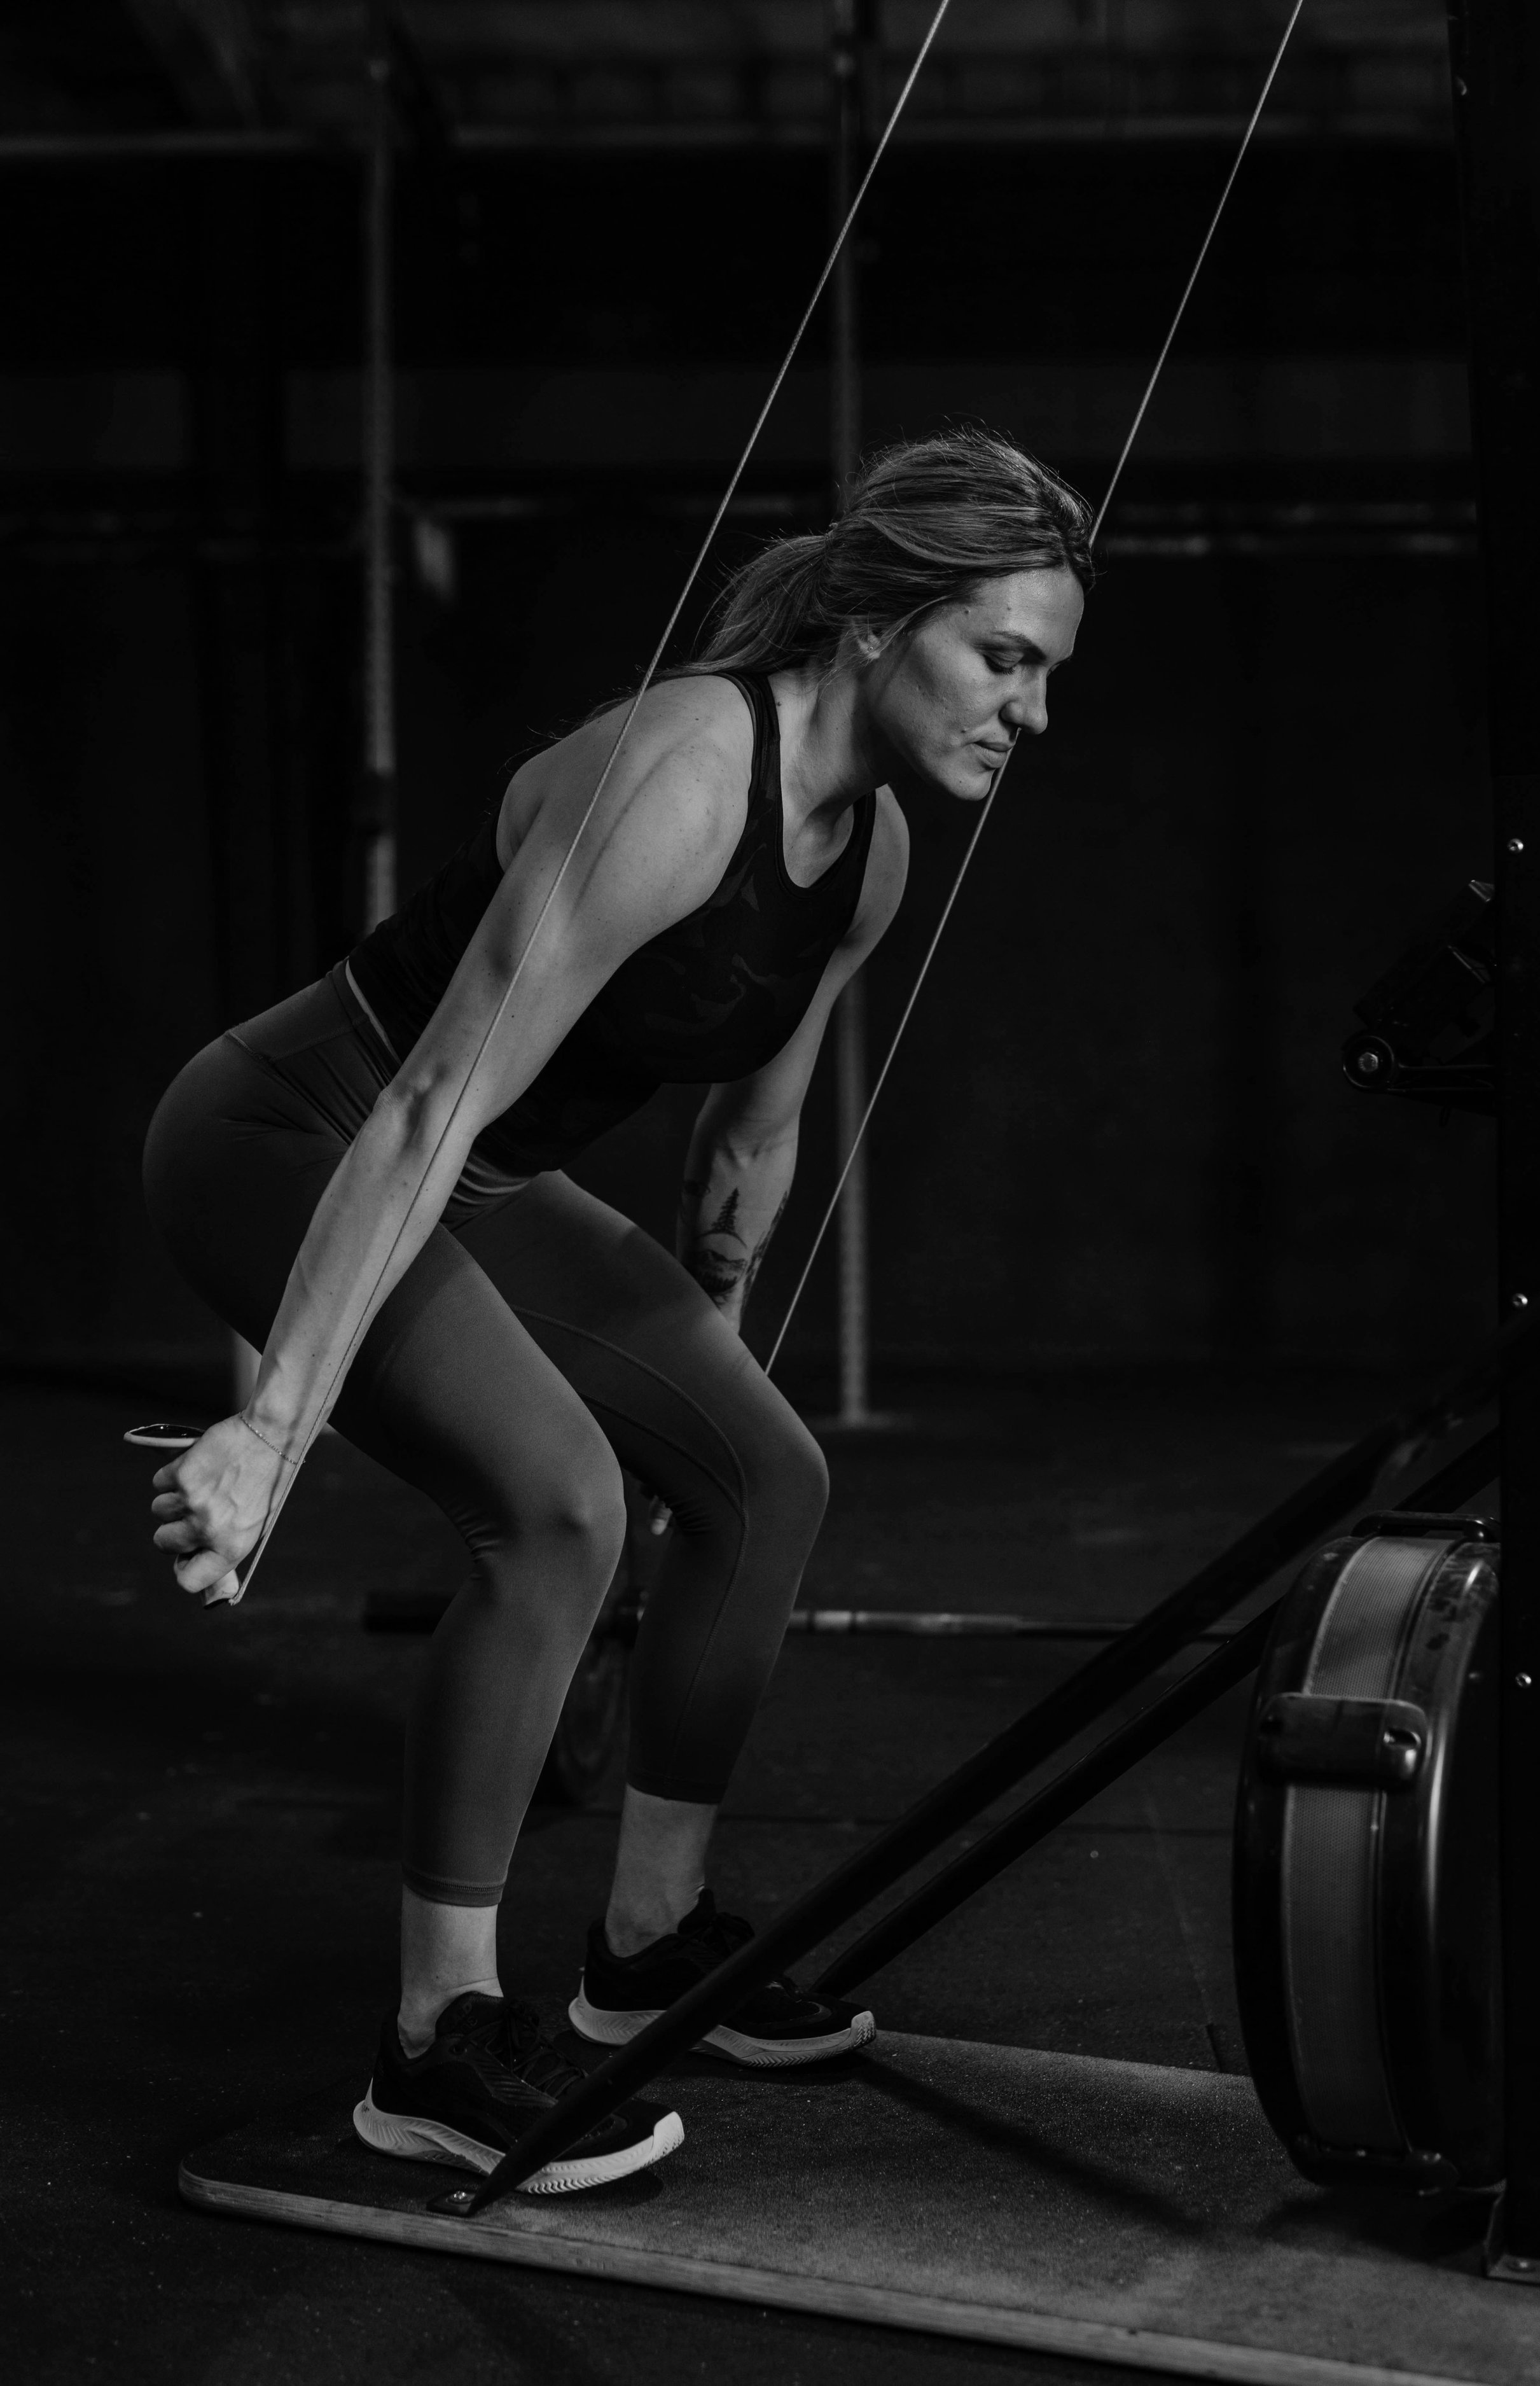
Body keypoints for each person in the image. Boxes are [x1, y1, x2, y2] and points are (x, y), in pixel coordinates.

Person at [142, 427, 1093, 2194]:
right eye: (1003, 660)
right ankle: (432, 2043)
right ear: (878, 622)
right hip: (290, 1139)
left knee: (764, 1473)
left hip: (478, 1180)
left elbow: (751, 1138)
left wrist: (701, 1378)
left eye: (1046, 676)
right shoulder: (680, 777)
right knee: (557, 1506)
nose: (1028, 714)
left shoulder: (871, 853)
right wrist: (271, 1429)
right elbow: (429, 1099)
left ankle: (647, 1949)